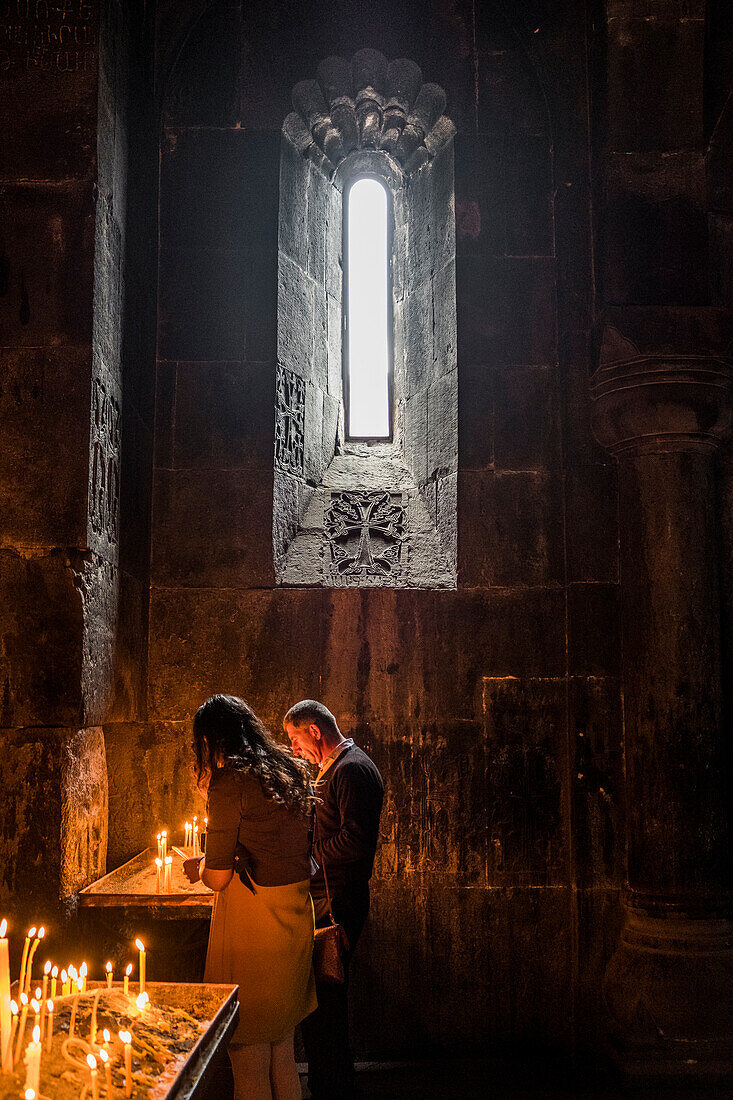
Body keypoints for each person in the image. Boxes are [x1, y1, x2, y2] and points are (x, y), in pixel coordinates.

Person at [183, 694, 317, 1100]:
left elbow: (219, 879)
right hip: (294, 918)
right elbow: (273, 841)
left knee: (248, 1058)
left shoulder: (229, 781)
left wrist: (200, 868)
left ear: (211, 740)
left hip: (254, 926)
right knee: (282, 1054)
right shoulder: (290, 768)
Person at [283, 699, 384, 1100]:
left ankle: (334, 1087)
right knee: (323, 1003)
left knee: (326, 1004)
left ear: (314, 732)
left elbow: (356, 840)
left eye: (295, 739)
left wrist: (307, 859)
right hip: (331, 896)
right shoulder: (335, 768)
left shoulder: (352, 770)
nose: (294, 750)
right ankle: (330, 1081)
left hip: (338, 902)